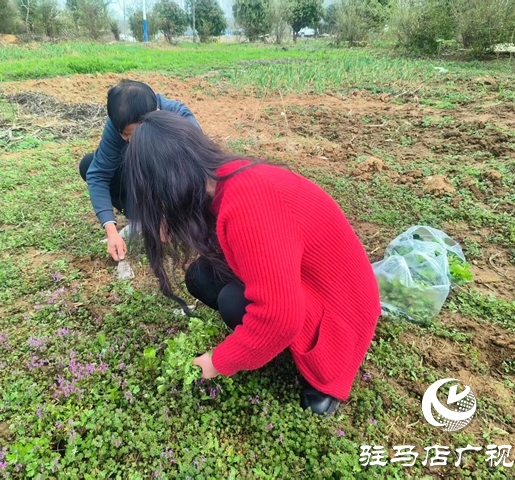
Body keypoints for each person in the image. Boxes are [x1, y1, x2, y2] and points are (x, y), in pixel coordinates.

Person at [125, 111, 381, 416]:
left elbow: (280, 315)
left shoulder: (249, 203)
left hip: (342, 310)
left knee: (236, 302)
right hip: (313, 282)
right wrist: (175, 219)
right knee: (201, 277)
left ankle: (320, 372)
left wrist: (218, 362)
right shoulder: (225, 178)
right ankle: (267, 345)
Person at [79, 80, 201, 261]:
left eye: (132, 134)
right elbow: (98, 174)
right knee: (89, 164)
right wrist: (111, 231)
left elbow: (198, 174)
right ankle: (145, 220)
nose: (127, 140)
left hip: (175, 181)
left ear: (154, 116)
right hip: (144, 179)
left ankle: (179, 222)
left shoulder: (180, 120)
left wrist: (175, 215)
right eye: (123, 134)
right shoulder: (121, 124)